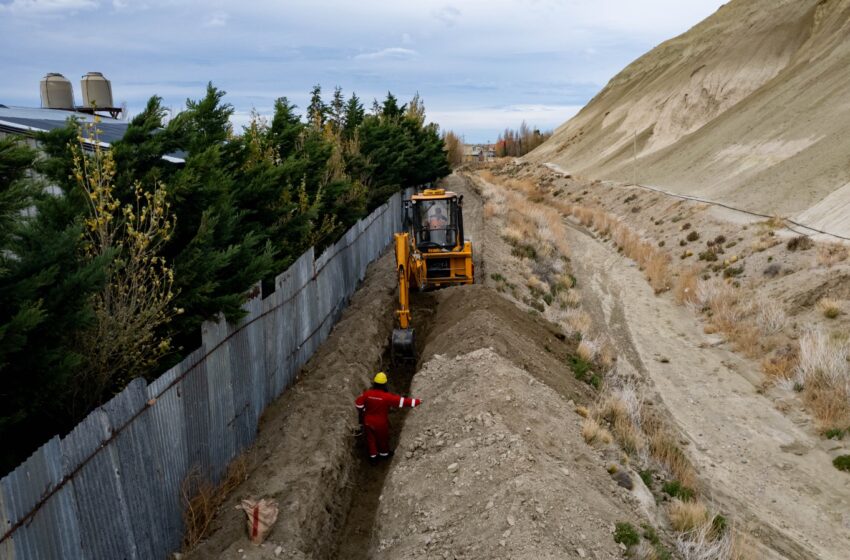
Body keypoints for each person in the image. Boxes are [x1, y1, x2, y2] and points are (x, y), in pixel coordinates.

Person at [354, 372, 422, 462]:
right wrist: (417, 401)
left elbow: (358, 404)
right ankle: (384, 455)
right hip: (381, 423)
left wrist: (363, 410)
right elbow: (402, 402)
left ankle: (373, 458)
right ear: (384, 384)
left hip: (368, 422)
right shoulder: (387, 397)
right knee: (383, 439)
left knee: (370, 440)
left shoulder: (367, 394)